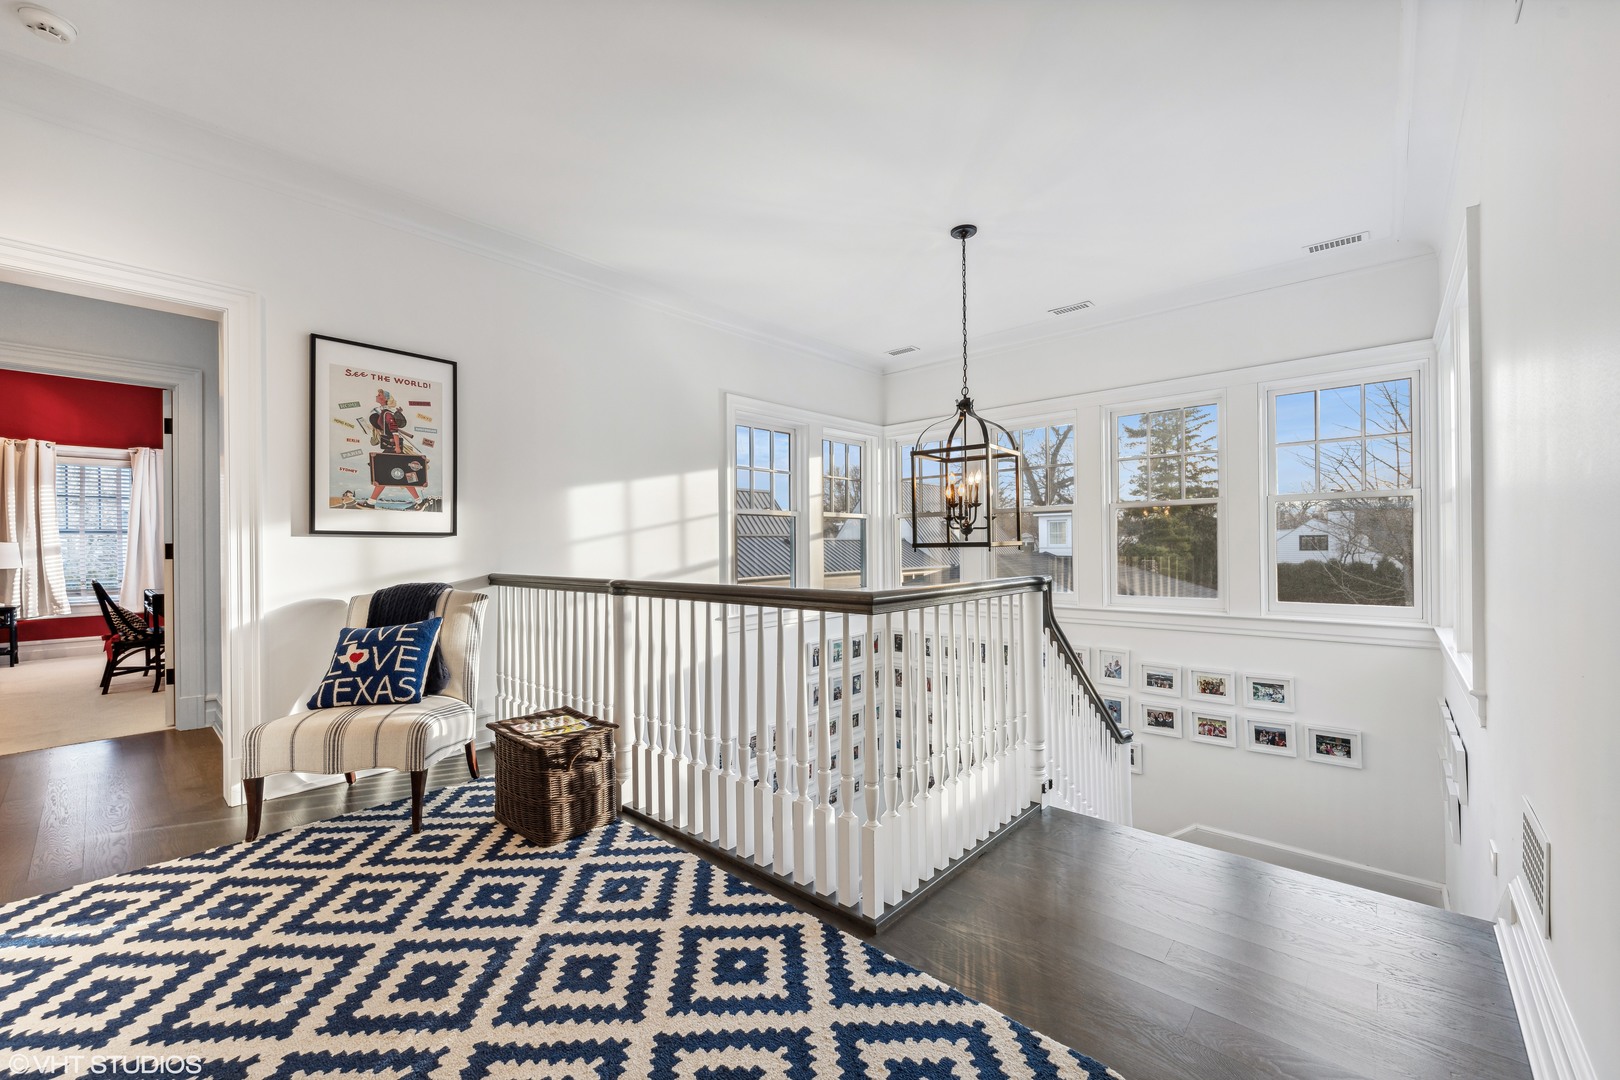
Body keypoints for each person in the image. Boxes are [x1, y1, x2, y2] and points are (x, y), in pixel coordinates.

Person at [360, 389, 421, 507]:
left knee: (385, 474)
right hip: (390, 446)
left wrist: (397, 447)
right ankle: (419, 500)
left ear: (385, 399)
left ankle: (371, 502)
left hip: (393, 447)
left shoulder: (387, 414)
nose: (377, 396)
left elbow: (395, 431)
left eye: (379, 395)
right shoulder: (382, 412)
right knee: (401, 474)